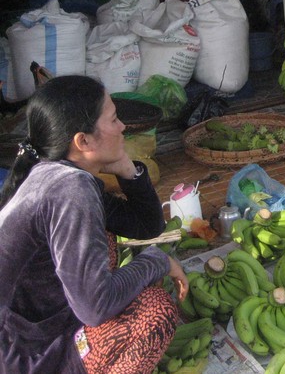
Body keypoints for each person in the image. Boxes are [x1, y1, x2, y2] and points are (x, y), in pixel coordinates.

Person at [0, 76, 188, 373]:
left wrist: (127, 169)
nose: (123, 127)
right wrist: (158, 261)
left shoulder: (55, 171)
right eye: (113, 120)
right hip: (26, 355)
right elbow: (95, 308)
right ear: (82, 141)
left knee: (106, 239)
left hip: (44, 324)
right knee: (156, 312)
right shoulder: (70, 190)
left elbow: (145, 226)